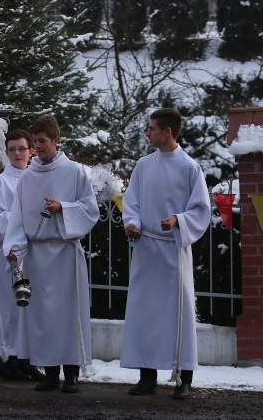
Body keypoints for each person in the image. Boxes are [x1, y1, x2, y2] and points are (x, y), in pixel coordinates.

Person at [3, 115, 99, 393]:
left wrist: (64, 208)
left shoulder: (75, 172)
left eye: (42, 142)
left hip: (64, 253)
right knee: (41, 316)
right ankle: (49, 371)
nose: (37, 147)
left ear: (56, 140)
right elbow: (17, 217)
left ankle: (71, 373)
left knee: (67, 315)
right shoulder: (27, 177)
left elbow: (90, 211)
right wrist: (15, 247)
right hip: (36, 254)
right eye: (35, 142)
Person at [121, 108, 211, 400]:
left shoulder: (189, 167)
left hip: (173, 249)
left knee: (179, 312)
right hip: (147, 248)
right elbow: (131, 201)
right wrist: (132, 223)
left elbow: (200, 209)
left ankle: (184, 376)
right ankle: (147, 376)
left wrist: (178, 220)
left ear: (167, 132)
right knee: (145, 312)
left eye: (151, 128)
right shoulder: (144, 166)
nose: (147, 133)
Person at [0, 129, 35, 380]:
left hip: (34, 254)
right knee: (8, 306)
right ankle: (7, 358)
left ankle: (28, 358)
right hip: (10, 253)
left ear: (31, 151)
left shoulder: (37, 179)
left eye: (22, 148)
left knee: (30, 306)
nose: (17, 153)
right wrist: (22, 221)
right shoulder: (0, 183)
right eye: (13, 149)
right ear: (7, 152)